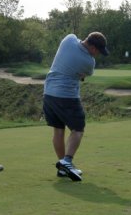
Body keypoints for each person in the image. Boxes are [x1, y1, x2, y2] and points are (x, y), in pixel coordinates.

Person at [43, 32, 109, 181]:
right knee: (78, 129)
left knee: (58, 131)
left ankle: (63, 168)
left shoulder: (69, 39)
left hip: (48, 93)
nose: (98, 54)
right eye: (98, 51)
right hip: (66, 96)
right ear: (92, 47)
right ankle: (67, 160)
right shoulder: (89, 62)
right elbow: (84, 75)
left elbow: (74, 44)